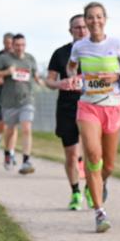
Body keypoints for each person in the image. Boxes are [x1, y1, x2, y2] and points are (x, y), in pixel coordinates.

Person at [66, 2, 120, 232]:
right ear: (85, 21)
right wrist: (74, 78)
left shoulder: (116, 44)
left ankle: (98, 182)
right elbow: (71, 67)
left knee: (108, 164)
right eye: (90, 17)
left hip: (113, 107)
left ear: (104, 19)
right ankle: (99, 212)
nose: (94, 21)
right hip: (88, 107)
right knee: (92, 154)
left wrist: (115, 76)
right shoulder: (79, 46)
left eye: (98, 17)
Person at [46, 14, 89, 210]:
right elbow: (49, 80)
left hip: (92, 106)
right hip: (67, 107)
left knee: (92, 152)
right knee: (72, 154)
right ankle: (75, 192)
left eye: (83, 26)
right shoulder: (61, 53)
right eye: (77, 27)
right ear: (70, 31)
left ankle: (91, 187)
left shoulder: (97, 52)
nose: (81, 30)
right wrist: (59, 83)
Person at [0, 33, 45, 174]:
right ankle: (7, 153)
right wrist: (6, 72)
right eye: (17, 45)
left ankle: (26, 160)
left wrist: (44, 83)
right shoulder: (4, 59)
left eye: (22, 45)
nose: (20, 48)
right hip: (9, 101)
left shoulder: (30, 59)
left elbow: (36, 76)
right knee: (10, 131)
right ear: (12, 45)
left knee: (26, 128)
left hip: (27, 99)